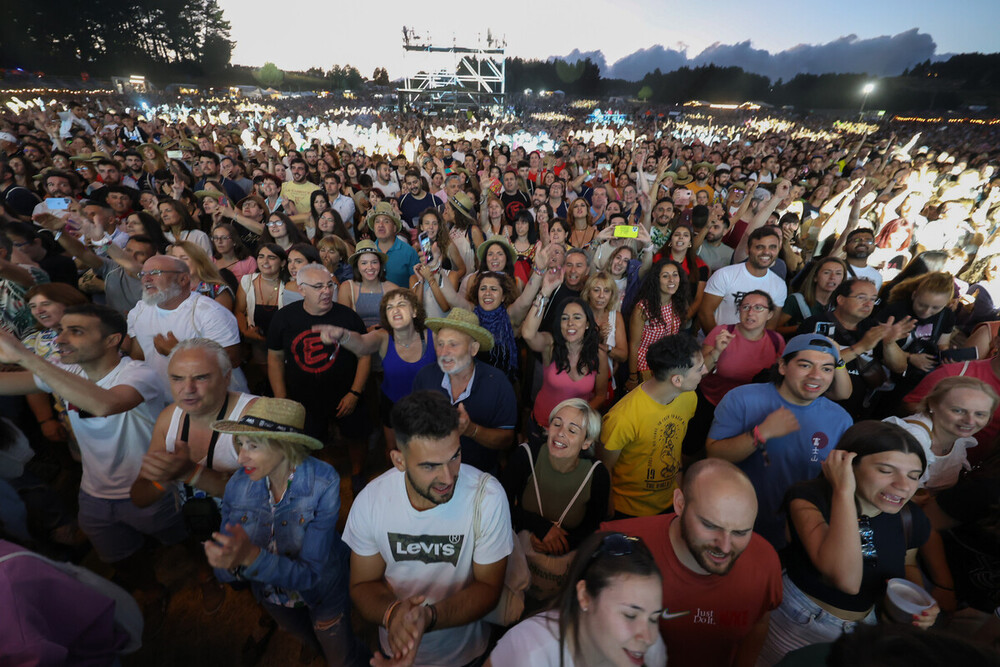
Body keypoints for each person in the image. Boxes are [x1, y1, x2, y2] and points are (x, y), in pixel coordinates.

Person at [0, 304, 181, 609]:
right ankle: (152, 591)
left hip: (151, 485)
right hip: (95, 493)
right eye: (61, 331)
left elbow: (105, 404)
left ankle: (204, 576)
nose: (60, 339)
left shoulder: (138, 373)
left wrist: (24, 355)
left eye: (76, 331)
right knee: (119, 556)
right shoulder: (68, 372)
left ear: (112, 340)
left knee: (178, 537)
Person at [342, 390, 514, 667]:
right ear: (399, 461)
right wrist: (393, 614)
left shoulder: (487, 497)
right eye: (430, 466)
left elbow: (489, 588)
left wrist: (429, 617)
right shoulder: (371, 502)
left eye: (454, 456)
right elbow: (362, 585)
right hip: (394, 650)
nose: (448, 477)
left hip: (466, 654)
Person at [756, 421, 940, 665]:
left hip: (864, 629)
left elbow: (909, 564)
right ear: (848, 466)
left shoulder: (910, 518)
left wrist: (920, 606)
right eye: (886, 471)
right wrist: (843, 490)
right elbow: (845, 580)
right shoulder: (809, 499)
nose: (904, 486)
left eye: (914, 476)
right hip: (798, 619)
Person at [207, 397, 364, 666]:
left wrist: (251, 559)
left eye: (253, 446)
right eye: (240, 444)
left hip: (323, 594)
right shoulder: (237, 484)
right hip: (273, 598)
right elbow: (225, 572)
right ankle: (317, 646)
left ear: (285, 446)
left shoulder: (323, 482)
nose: (241, 456)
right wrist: (227, 563)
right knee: (308, 638)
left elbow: (312, 574)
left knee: (342, 657)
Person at [601, 459, 783, 667]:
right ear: (680, 503)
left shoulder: (764, 561)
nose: (724, 547)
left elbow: (759, 621)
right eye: (709, 525)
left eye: (740, 532)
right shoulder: (614, 548)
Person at [706, 334, 853, 549]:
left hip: (797, 531)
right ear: (783, 366)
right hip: (734, 523)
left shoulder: (840, 419)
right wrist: (761, 433)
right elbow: (714, 455)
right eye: (805, 365)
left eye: (827, 369)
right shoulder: (742, 399)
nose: (816, 376)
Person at [486, 532, 667, 667]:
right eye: (630, 615)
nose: (648, 637)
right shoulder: (530, 653)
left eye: (653, 618)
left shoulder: (650, 647)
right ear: (585, 596)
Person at [267, 263, 370, 488]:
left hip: (345, 393)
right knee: (308, 440)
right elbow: (275, 358)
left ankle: (357, 474)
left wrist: (355, 392)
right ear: (301, 289)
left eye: (329, 285)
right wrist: (282, 398)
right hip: (302, 398)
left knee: (356, 435)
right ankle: (312, 479)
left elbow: (364, 356)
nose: (326, 291)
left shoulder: (348, 317)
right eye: (318, 286)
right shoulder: (284, 318)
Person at [500, 399, 611, 600]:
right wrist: (541, 528)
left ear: (586, 442)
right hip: (518, 563)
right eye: (557, 423)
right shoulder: (526, 455)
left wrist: (561, 543)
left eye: (572, 430)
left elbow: (593, 527)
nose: (560, 433)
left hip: (562, 577)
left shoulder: (598, 475)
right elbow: (500, 506)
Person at [312, 288, 436, 455]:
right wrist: (342, 335)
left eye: (401, 305)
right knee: (394, 452)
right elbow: (362, 344)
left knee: (429, 451)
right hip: (394, 405)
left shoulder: (433, 337)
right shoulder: (383, 337)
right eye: (389, 307)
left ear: (414, 311)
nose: (395, 310)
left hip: (429, 407)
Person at [601, 334, 707, 519]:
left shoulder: (689, 398)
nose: (705, 370)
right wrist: (608, 509)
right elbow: (604, 466)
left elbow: (675, 444)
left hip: (670, 502)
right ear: (677, 380)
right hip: (628, 510)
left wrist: (679, 483)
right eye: (699, 369)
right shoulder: (622, 417)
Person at [412, 308, 517, 474]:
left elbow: (506, 439)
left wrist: (471, 430)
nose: (444, 352)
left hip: (479, 473)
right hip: (433, 469)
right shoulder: (425, 377)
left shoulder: (498, 383)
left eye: (453, 344)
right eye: (440, 344)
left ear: (473, 349)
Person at [126, 255, 247, 397]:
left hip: (212, 401)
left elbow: (232, 360)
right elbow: (138, 356)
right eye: (143, 274)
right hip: (163, 400)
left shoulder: (210, 312)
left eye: (155, 273)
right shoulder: (139, 311)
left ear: (183, 279)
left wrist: (177, 352)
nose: (146, 279)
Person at [685, 290, 786, 459]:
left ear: (770, 314)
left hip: (750, 411)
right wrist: (716, 352)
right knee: (691, 451)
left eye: (758, 307)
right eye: (745, 306)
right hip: (711, 402)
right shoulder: (722, 332)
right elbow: (697, 374)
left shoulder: (776, 341)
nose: (750, 312)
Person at [799, 278, 912, 418]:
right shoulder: (815, 324)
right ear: (840, 299)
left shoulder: (873, 327)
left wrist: (889, 343)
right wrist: (861, 346)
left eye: (873, 299)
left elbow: (900, 367)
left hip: (857, 412)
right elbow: (812, 365)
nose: (868, 304)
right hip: (816, 405)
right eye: (861, 298)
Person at [884, 376, 998, 492]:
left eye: (980, 414)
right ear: (932, 404)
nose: (970, 421)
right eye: (958, 410)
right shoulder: (912, 439)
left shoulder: (958, 439)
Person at [522, 296, 610, 444]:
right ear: (559, 324)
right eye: (564, 318)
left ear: (587, 323)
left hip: (573, 432)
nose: (570, 323)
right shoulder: (550, 345)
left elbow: (601, 395)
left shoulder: (599, 356)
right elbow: (528, 334)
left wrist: (576, 417)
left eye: (577, 317)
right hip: (542, 426)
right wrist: (544, 294)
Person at [699, 226, 787, 333]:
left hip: (751, 348)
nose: (766, 252)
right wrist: (719, 344)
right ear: (748, 249)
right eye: (760, 247)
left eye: (773, 247)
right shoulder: (724, 275)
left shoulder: (780, 285)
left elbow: (770, 326)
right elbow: (705, 313)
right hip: (717, 344)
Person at [628, 258, 690, 391]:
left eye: (675, 275)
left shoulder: (678, 303)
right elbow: (634, 345)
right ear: (656, 280)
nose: (671, 280)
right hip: (644, 366)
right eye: (665, 276)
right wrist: (633, 377)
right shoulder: (643, 308)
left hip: (666, 365)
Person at [337, 239, 400, 330]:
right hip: (358, 340)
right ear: (357, 266)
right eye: (364, 263)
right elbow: (344, 325)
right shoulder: (347, 287)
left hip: (387, 337)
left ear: (380, 265)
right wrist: (366, 332)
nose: (370, 267)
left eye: (374, 262)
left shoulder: (393, 288)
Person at [780, 257, 847, 335]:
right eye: (826, 272)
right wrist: (801, 327)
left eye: (838, 273)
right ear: (815, 277)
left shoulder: (841, 303)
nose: (832, 277)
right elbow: (775, 329)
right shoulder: (796, 300)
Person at [168, 240, 236, 312]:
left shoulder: (217, 290)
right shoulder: (168, 289)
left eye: (185, 258)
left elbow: (221, 321)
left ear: (199, 261)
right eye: (175, 258)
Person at [367, 202, 420, 288]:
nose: (380, 225)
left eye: (386, 221)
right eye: (377, 221)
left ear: (394, 228)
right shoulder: (367, 251)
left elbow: (417, 285)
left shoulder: (409, 252)